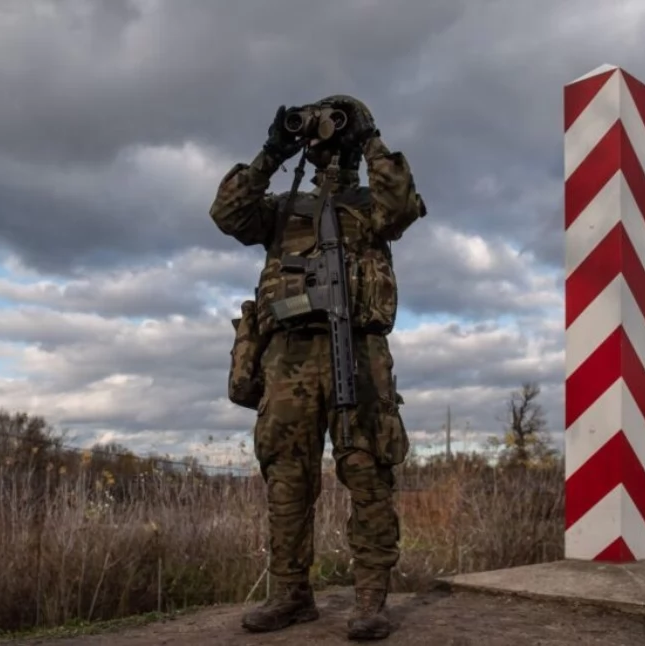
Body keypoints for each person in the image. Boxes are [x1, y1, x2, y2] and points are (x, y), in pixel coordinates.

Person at [209, 95, 426, 641]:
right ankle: (290, 594)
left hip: (357, 351)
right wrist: (274, 150)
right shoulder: (280, 210)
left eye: (334, 133)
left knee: (366, 468)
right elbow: (227, 212)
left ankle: (371, 600)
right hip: (288, 358)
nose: (326, 146)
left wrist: (369, 135)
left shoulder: (369, 208)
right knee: (286, 474)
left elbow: (400, 204)